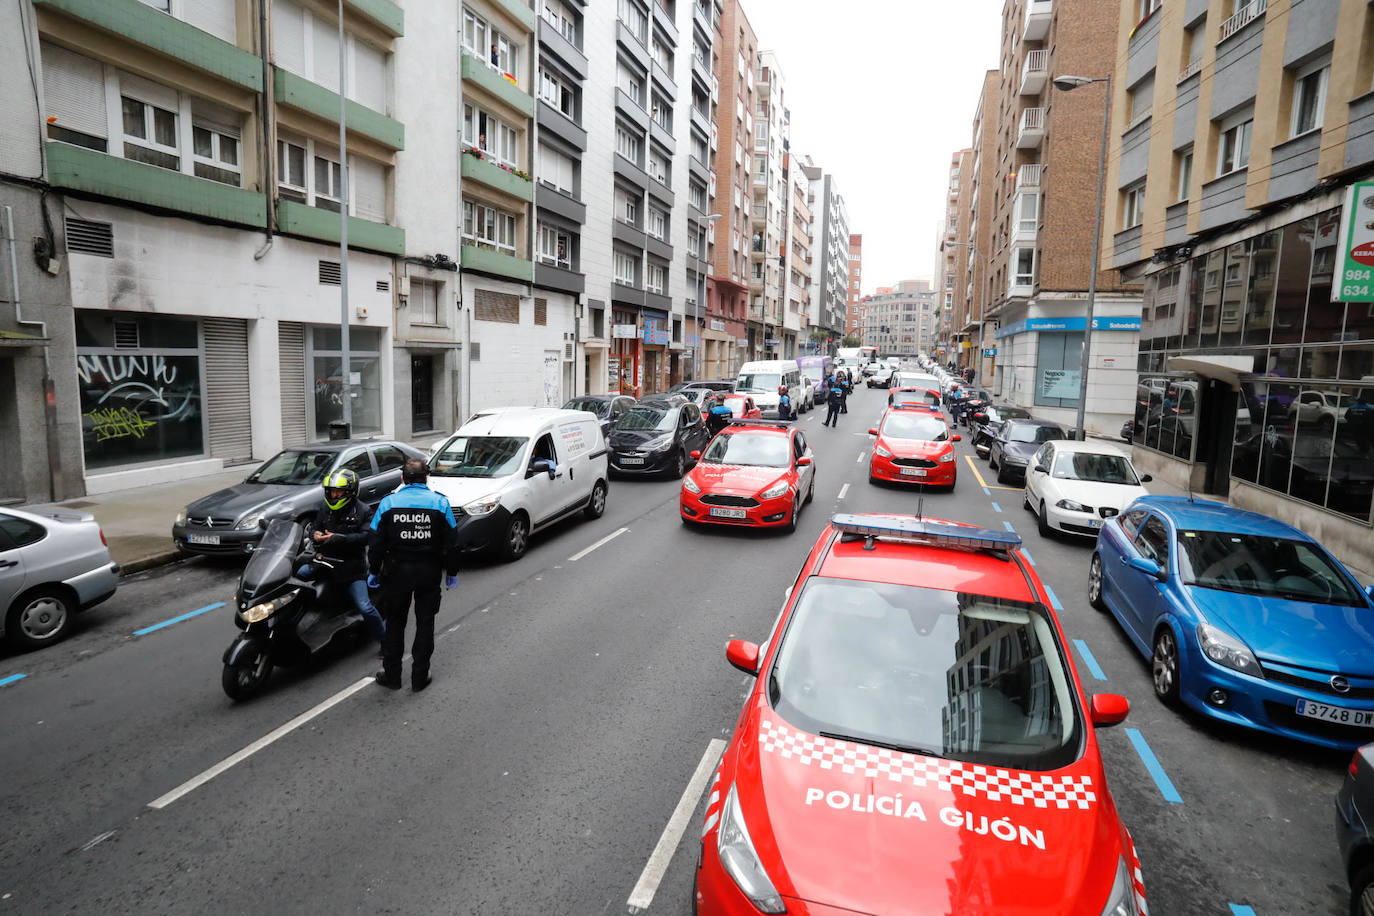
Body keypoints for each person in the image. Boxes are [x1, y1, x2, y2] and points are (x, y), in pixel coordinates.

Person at [367, 458, 460, 692]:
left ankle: (392, 676)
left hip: (397, 572)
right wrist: (452, 572)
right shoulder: (440, 503)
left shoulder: (388, 503)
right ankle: (419, 678)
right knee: (425, 623)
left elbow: (375, 542)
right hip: (428, 571)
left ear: (402, 479)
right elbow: (452, 543)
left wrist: (374, 570)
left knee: (395, 624)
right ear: (425, 478)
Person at [296, 468, 386, 651]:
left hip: (350, 567)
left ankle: (386, 642)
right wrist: (316, 535)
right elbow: (314, 528)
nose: (334, 495)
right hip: (322, 561)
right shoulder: (325, 507)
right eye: (331, 491)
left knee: (365, 606)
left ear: (350, 492)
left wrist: (341, 538)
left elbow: (367, 536)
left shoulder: (363, 510)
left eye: (338, 492)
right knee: (295, 579)